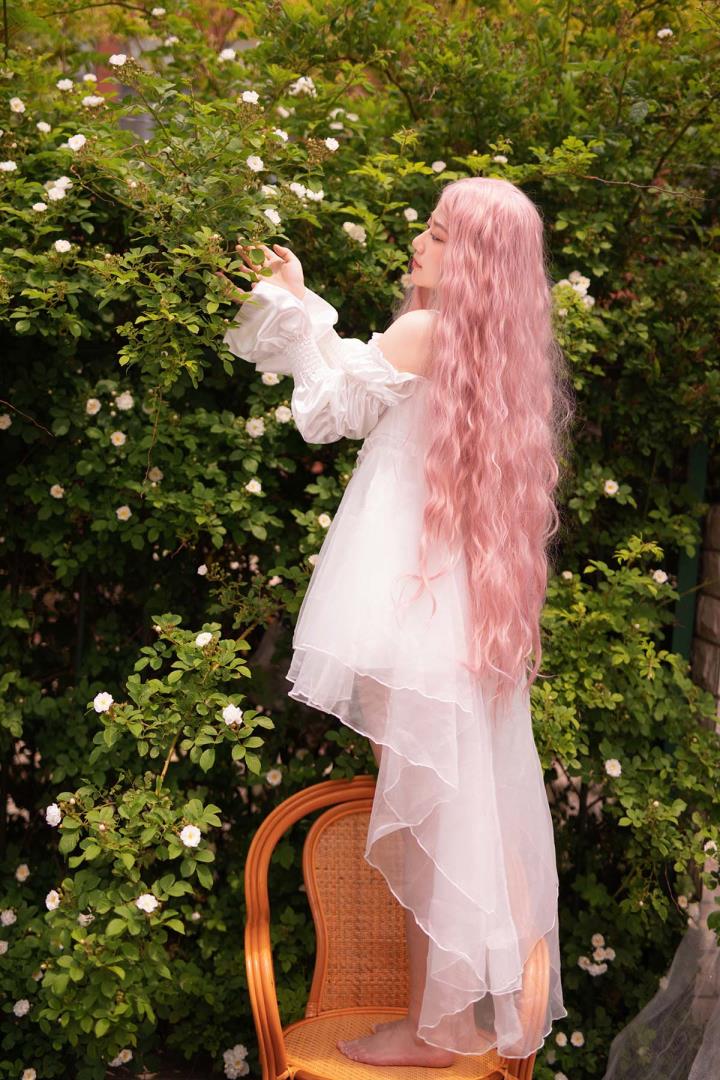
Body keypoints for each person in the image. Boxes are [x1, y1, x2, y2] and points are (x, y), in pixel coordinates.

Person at [219, 176, 575, 1068]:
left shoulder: (425, 333)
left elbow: (328, 411)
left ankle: (433, 1029)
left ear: (478, 265)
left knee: (431, 823)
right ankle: (451, 1015)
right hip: (444, 614)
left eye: (441, 236)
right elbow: (354, 384)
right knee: (445, 814)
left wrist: (293, 310)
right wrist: (303, 307)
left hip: (400, 609)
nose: (420, 242)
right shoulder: (485, 353)